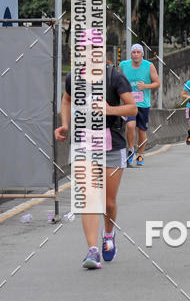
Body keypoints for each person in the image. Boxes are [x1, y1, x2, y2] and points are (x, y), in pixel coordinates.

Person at [54, 29, 137, 270]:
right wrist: (65, 125)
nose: (90, 53)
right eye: (85, 49)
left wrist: (110, 109)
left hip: (112, 143)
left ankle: (108, 235)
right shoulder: (74, 78)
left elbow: (132, 109)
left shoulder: (115, 77)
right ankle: (92, 251)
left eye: (95, 48)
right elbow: (67, 100)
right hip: (83, 142)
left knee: (108, 202)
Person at [119, 43, 161, 167]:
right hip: (129, 104)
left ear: (142, 54)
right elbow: (117, 81)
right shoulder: (123, 65)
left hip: (143, 104)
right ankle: (131, 150)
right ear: (131, 54)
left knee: (142, 130)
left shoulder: (149, 66)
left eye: (138, 52)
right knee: (130, 126)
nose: (136, 54)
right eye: (133, 52)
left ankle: (140, 155)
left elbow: (157, 83)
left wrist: (145, 86)